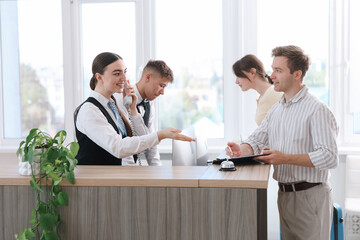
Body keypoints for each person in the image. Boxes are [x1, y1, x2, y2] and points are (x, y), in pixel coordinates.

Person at [227, 46, 339, 240]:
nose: (272, 76)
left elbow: (329, 156)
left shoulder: (317, 109)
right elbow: (257, 138)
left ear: (297, 74)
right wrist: (242, 149)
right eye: (272, 69)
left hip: (310, 196)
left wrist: (285, 158)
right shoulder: (278, 108)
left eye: (278, 71)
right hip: (285, 194)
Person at [74, 52, 194, 165]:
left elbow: (138, 138)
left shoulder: (112, 105)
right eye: (117, 73)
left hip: (112, 179)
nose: (124, 78)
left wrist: (132, 110)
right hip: (96, 183)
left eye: (124, 72)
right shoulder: (89, 111)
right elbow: (118, 147)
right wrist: (160, 135)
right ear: (99, 77)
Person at [119, 60, 173, 166]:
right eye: (161, 85)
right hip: (120, 169)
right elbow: (123, 142)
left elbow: (150, 139)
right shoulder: (123, 99)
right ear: (147, 77)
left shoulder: (149, 103)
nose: (162, 92)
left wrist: (157, 169)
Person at [232, 54, 283, 126]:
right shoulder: (263, 97)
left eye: (238, 76)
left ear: (252, 72)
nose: (236, 82)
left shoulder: (274, 94)